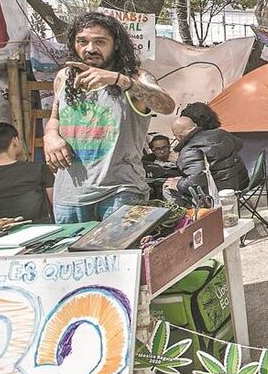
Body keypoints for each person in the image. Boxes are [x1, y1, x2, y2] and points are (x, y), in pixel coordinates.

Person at [45, 11, 176, 223]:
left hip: (120, 192)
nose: (90, 49)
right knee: (72, 256)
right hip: (69, 195)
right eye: (82, 41)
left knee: (122, 254)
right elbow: (55, 117)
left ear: (115, 44)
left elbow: (167, 105)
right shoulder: (64, 77)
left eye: (100, 42)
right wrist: (51, 135)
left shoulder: (135, 77)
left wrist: (119, 80)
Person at [164, 106, 249, 204]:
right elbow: (239, 144)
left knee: (167, 187)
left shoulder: (189, 150)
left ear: (178, 135)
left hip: (217, 194)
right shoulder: (220, 133)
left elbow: (196, 180)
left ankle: (188, 218)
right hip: (240, 184)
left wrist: (178, 184)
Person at [143, 134, 181, 200]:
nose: (162, 151)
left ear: (169, 147)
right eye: (158, 149)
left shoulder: (179, 159)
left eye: (165, 147)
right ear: (153, 150)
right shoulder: (146, 162)